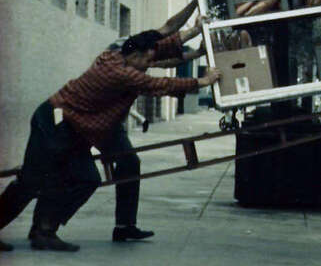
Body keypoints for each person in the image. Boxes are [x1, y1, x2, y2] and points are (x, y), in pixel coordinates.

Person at [0, 29, 222, 251]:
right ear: (135, 55)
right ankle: (43, 230)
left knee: (86, 178)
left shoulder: (118, 54)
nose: (149, 64)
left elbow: (159, 48)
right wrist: (203, 81)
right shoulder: (120, 73)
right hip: (52, 122)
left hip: (76, 129)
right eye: (146, 59)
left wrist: (195, 30)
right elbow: (159, 85)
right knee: (30, 181)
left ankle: (44, 231)